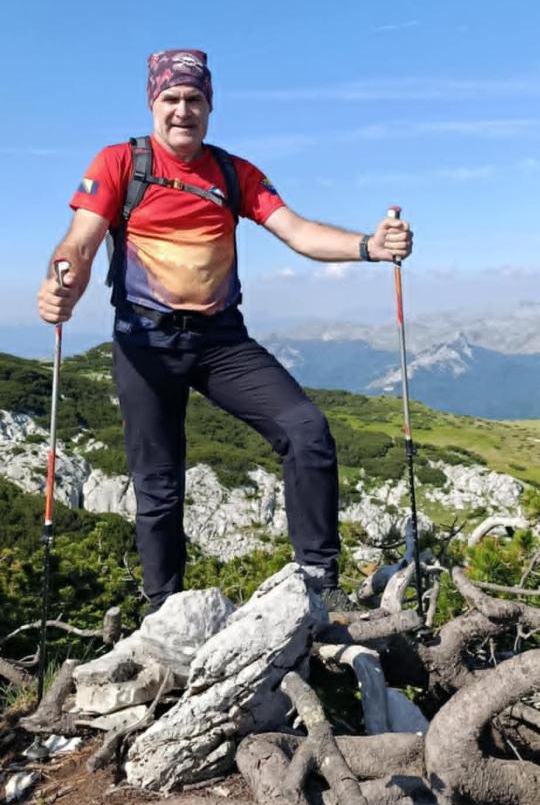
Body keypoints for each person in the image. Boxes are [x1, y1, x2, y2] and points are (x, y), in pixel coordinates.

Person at [38, 49, 413, 612]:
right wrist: (62, 281)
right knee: (158, 486)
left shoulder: (234, 173)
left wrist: (369, 246)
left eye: (194, 99)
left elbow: (298, 232)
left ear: (209, 106)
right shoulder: (120, 163)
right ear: (152, 103)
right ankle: (164, 612)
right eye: (171, 98)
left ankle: (320, 584)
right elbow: (82, 241)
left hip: (221, 339)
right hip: (144, 341)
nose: (182, 110)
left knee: (307, 430)